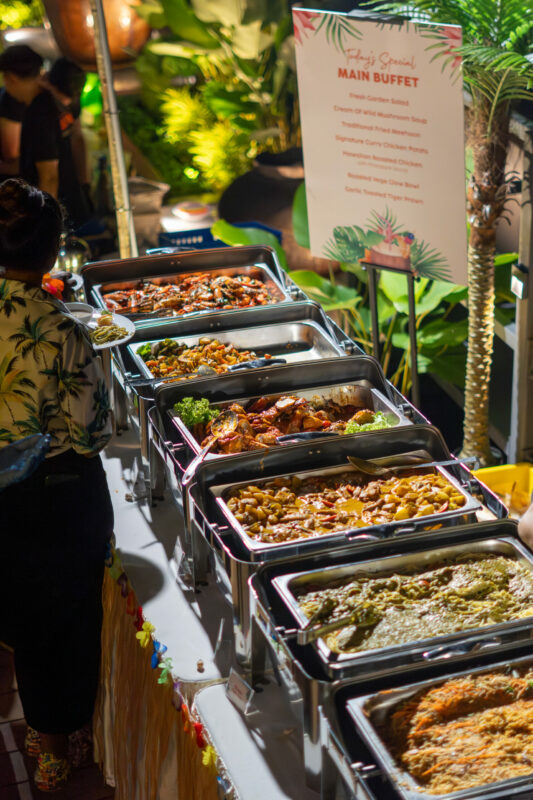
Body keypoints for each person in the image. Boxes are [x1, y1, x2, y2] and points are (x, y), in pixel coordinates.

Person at [0, 179, 113, 791]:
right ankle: (57, 745)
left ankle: (45, 735)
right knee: (66, 622)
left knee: (24, 616)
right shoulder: (63, 329)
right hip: (57, 493)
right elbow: (89, 433)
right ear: (52, 248)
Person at [0, 47, 91, 229]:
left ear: (11, 78)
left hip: (58, 210)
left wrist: (44, 226)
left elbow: (49, 176)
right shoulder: (42, 104)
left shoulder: (40, 112)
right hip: (67, 203)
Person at [0, 46, 41, 179]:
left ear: (12, 78)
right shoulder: (48, 98)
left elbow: (11, 155)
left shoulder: (11, 102)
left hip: (19, 182)